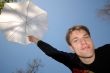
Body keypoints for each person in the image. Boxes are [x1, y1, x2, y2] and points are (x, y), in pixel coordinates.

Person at [28, 25, 110, 73]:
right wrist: (35, 39)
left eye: (86, 37)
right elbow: (52, 52)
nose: (83, 42)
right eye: (76, 40)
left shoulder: (107, 51)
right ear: (71, 48)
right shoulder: (72, 60)